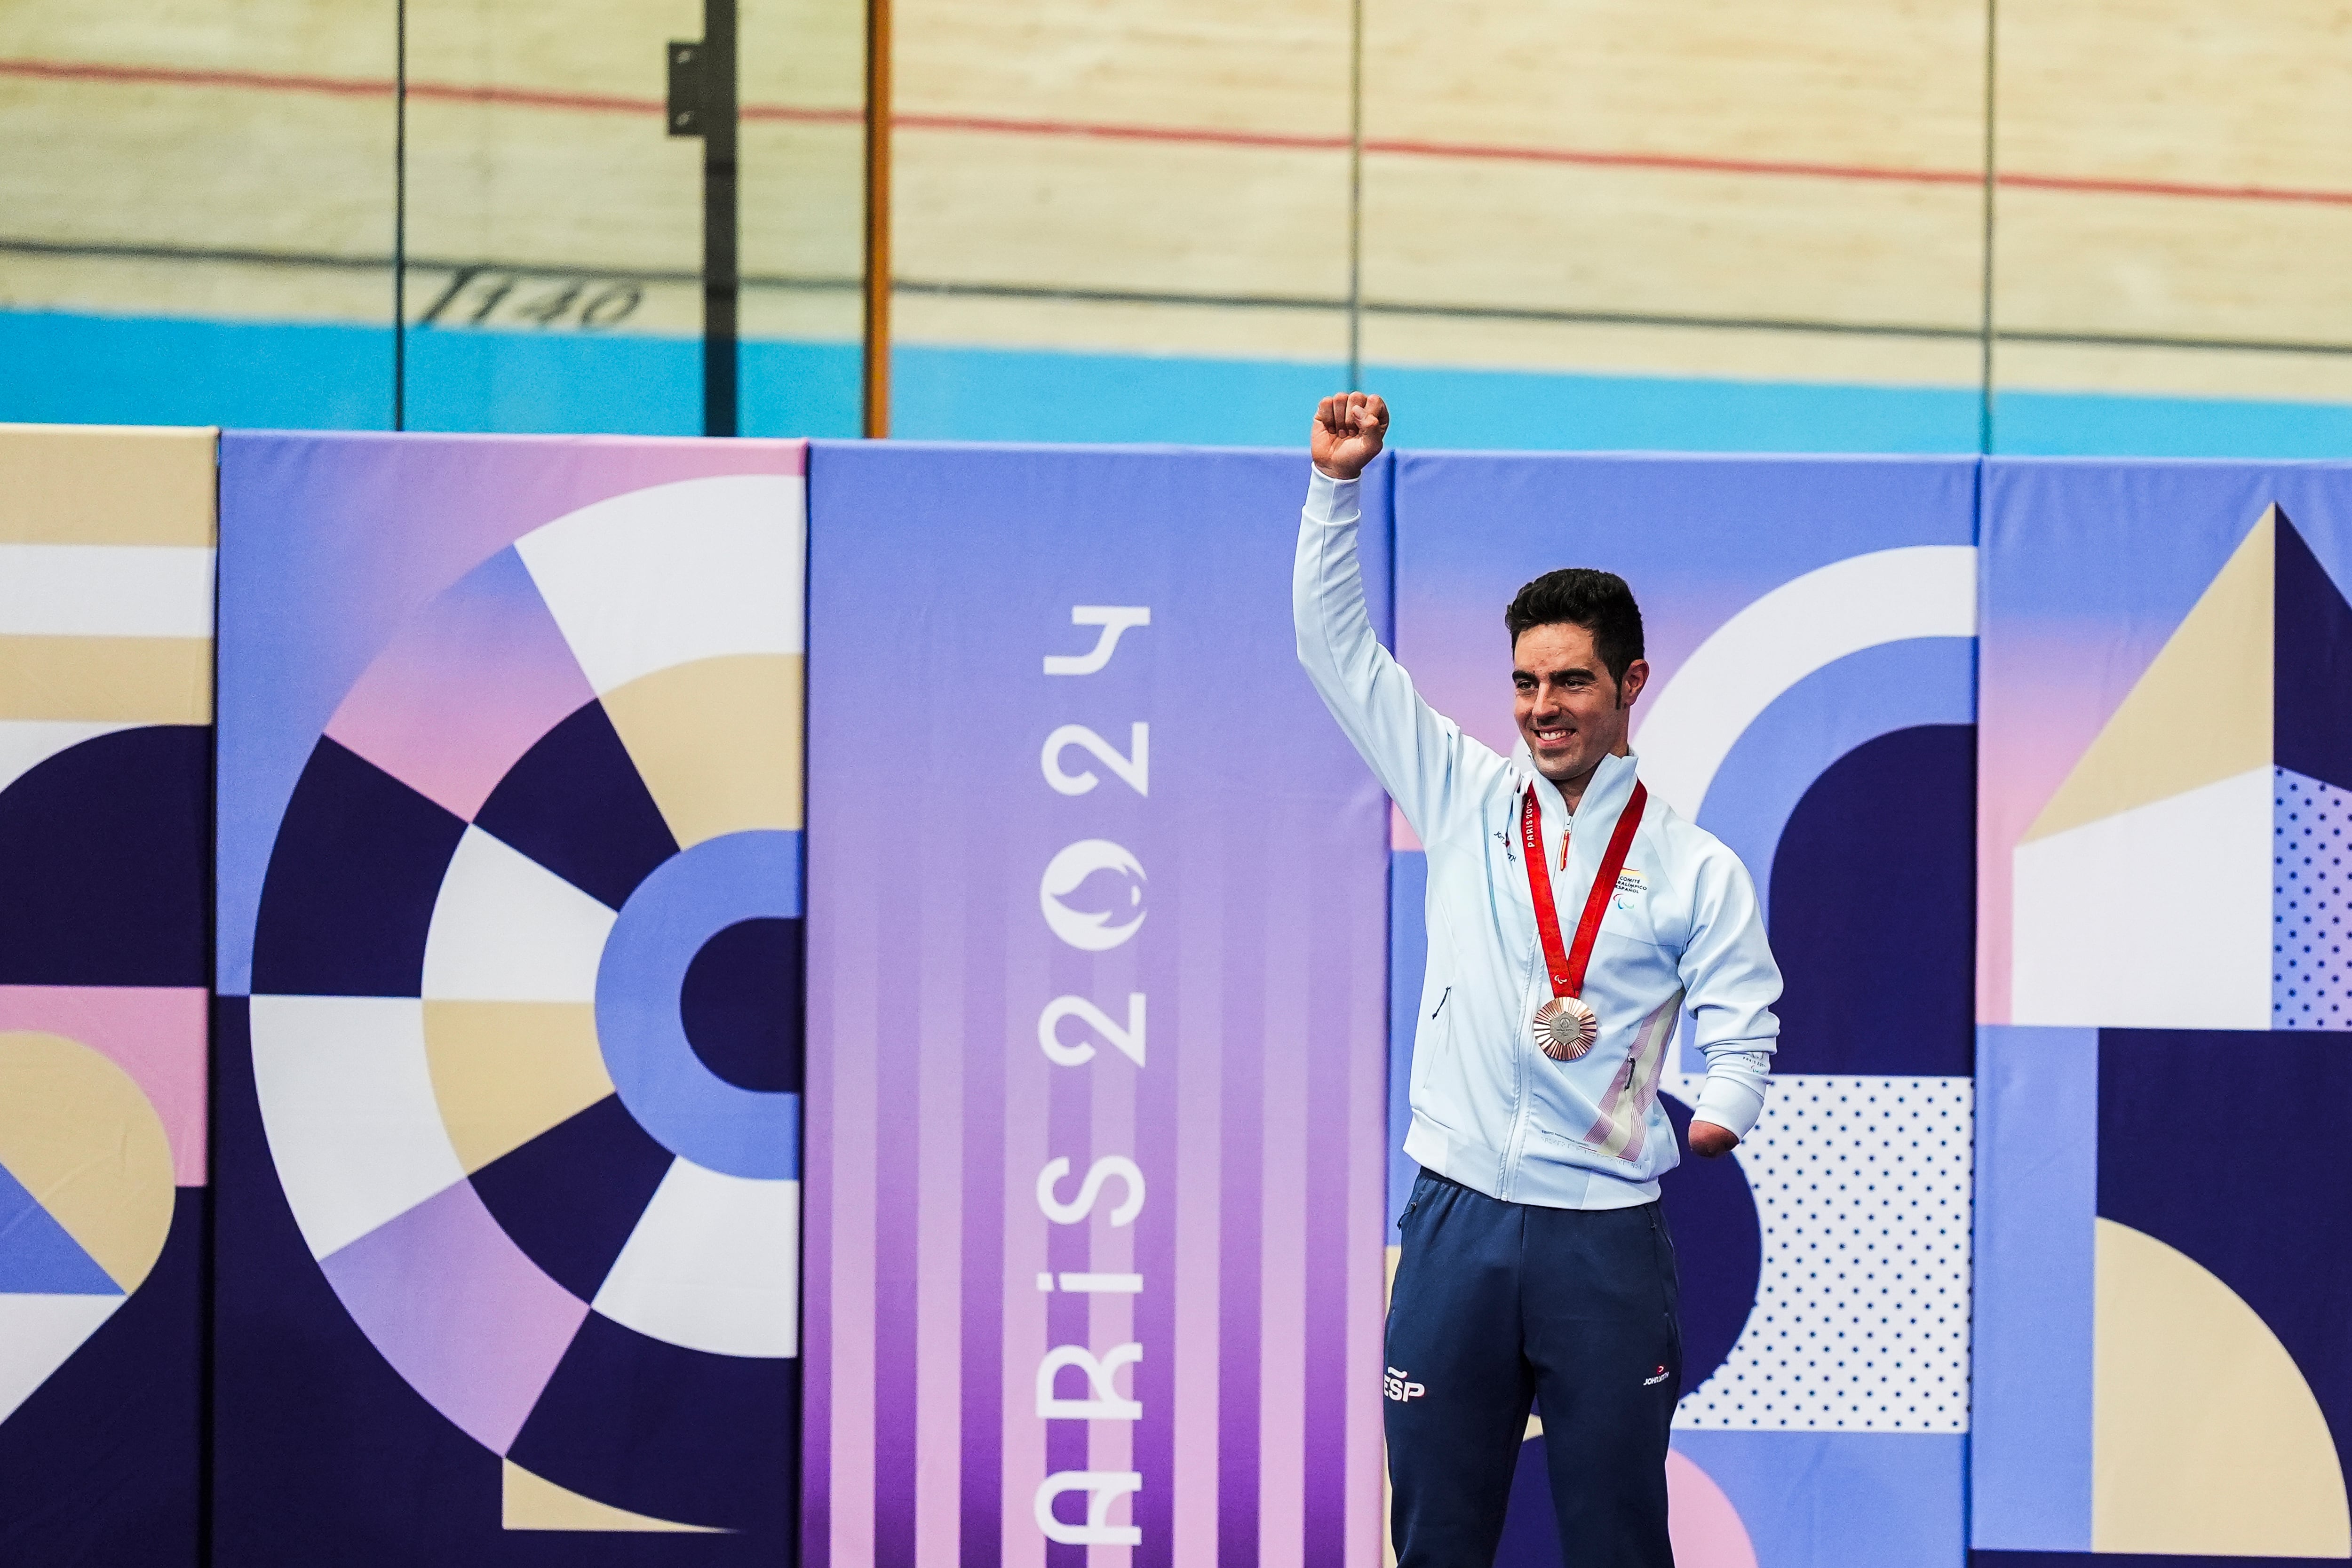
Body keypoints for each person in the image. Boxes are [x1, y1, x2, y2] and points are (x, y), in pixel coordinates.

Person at [1294, 392, 1782, 1567]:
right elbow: (1335, 653)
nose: (1540, 708)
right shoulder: (1464, 793)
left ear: (1630, 683)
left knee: (1616, 1539)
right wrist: (1333, 488)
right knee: (1437, 1534)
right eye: (1524, 682)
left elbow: (1743, 1004)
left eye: (1568, 682)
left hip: (1603, 1240)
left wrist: (1726, 1106)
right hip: (1457, 1214)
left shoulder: (1688, 865)